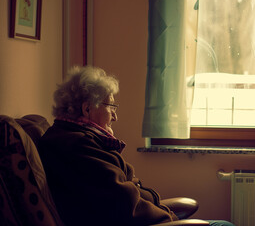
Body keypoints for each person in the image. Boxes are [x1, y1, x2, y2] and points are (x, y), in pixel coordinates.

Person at [39, 66, 234, 226]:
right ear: (87, 108)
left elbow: (125, 194)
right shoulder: (78, 146)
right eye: (111, 106)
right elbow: (124, 203)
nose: (115, 116)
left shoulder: (76, 138)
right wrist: (170, 219)